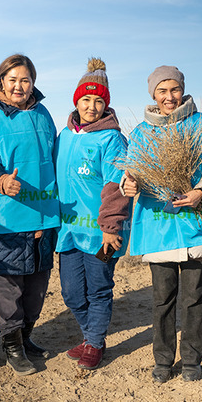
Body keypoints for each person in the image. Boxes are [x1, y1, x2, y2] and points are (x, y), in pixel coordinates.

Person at [122, 66, 202, 383]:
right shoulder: (142, 132)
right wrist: (128, 182)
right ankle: (163, 360)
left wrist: (200, 191)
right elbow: (132, 172)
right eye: (162, 91)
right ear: (153, 94)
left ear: (182, 89)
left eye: (174, 89)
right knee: (162, 298)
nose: (169, 97)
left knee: (194, 296)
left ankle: (193, 358)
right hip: (159, 226)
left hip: (197, 224)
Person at [0, 54, 60, 376]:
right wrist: (1, 180)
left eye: (25, 80)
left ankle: (26, 337)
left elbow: (55, 157)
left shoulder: (43, 114)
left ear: (33, 83)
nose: (19, 86)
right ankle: (12, 347)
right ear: (1, 82)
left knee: (37, 287)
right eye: (12, 80)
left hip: (45, 214)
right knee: (11, 288)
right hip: (7, 216)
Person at [54, 58, 132, 370]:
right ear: (76, 101)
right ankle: (90, 336)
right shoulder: (65, 135)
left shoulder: (112, 139)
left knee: (99, 289)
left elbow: (116, 185)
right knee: (72, 293)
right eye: (86, 99)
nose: (92, 106)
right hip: (69, 231)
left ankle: (95, 343)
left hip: (103, 232)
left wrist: (111, 226)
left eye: (99, 100)